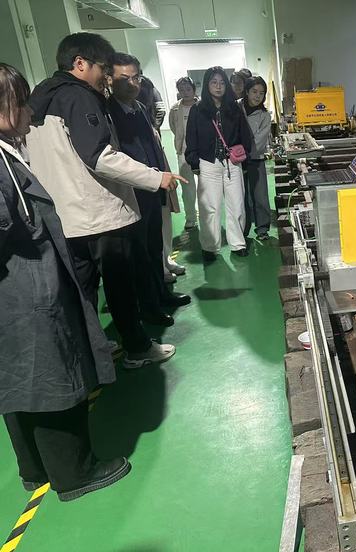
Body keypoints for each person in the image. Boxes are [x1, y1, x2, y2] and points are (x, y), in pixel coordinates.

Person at [0, 62, 130, 501]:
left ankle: (34, 467)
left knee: (18, 378)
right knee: (52, 376)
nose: (29, 113)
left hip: (15, 293)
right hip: (26, 290)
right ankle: (74, 473)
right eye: (21, 104)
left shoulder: (8, 151)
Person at [26, 32, 182, 368]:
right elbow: (99, 156)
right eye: (102, 68)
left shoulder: (43, 95)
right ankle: (137, 348)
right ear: (80, 63)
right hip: (99, 214)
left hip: (67, 215)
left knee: (84, 289)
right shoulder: (79, 97)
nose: (106, 77)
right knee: (120, 287)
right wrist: (155, 177)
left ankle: (93, 351)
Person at [107, 52, 191, 328]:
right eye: (125, 79)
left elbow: (152, 147)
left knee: (154, 248)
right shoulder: (109, 113)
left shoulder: (140, 109)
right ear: (109, 79)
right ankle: (149, 308)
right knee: (139, 255)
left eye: (137, 78)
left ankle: (161, 294)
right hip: (131, 194)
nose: (133, 84)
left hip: (152, 189)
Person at [185, 66, 252, 261]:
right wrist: (194, 161)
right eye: (214, 82)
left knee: (237, 205)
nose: (218, 86)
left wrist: (244, 154)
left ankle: (238, 243)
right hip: (208, 163)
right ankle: (210, 247)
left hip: (233, 163)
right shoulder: (198, 109)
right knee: (209, 208)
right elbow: (191, 137)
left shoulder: (234, 108)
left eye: (222, 82)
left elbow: (244, 134)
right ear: (207, 85)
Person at [241, 76, 272, 241]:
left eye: (261, 93)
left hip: (255, 159)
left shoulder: (265, 116)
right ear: (246, 91)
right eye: (254, 91)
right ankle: (242, 229)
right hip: (235, 160)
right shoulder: (236, 108)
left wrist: (245, 152)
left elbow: (259, 140)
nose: (257, 96)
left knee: (260, 196)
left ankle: (262, 228)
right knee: (241, 197)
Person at [168, 76, 198, 231]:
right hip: (183, 152)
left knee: (206, 187)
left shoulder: (202, 106)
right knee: (187, 188)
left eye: (188, 89)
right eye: (181, 90)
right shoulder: (174, 109)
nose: (185, 92)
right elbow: (174, 128)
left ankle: (207, 215)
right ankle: (190, 218)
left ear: (194, 90)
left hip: (202, 153)